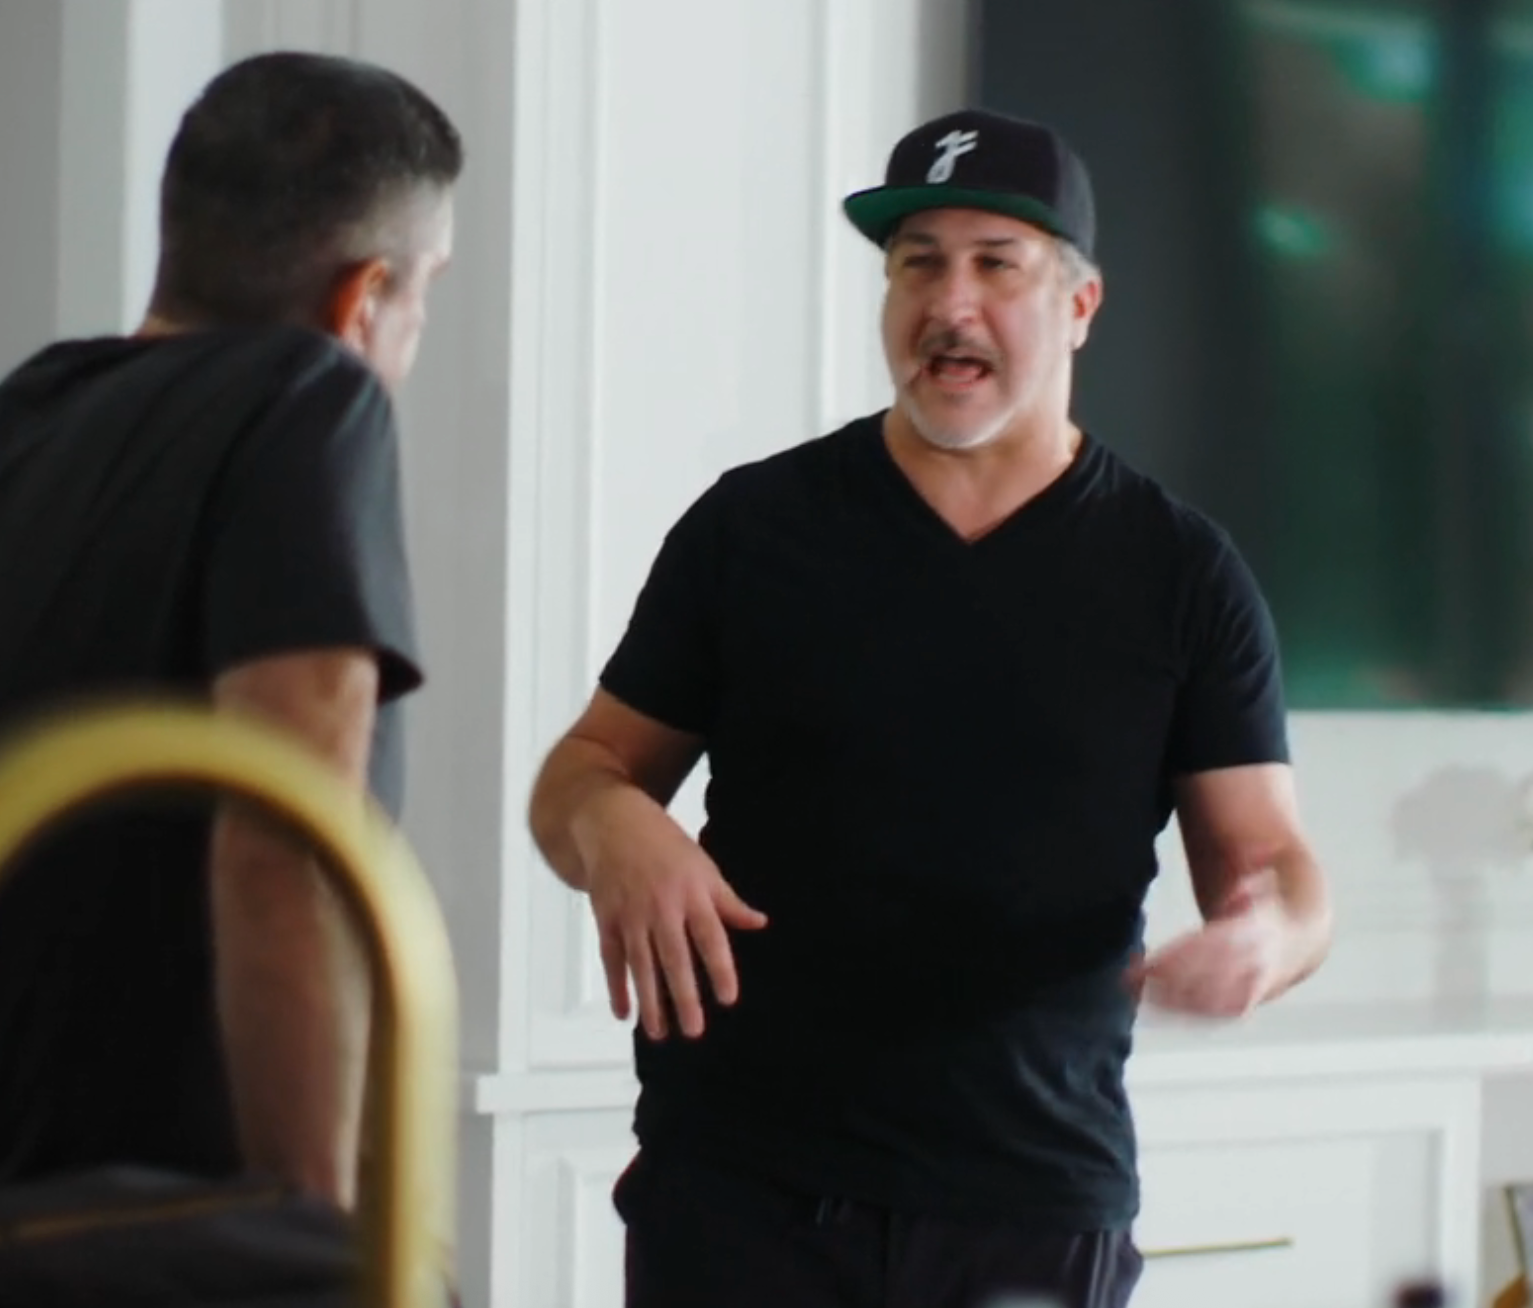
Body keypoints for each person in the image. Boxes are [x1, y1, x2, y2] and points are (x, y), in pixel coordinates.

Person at [527, 108, 1334, 1308]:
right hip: (738, 1195)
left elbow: (1274, 867)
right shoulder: (752, 529)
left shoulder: (1181, 575)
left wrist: (1265, 941)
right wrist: (612, 826)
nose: (948, 303)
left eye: (995, 264)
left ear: (1079, 305)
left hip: (1030, 1211)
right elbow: (580, 774)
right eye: (917, 264)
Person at [0, 52, 462, 1212]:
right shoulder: (314, 399)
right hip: (195, 1220)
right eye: (426, 293)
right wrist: (314, 1235)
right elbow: (282, 833)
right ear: (361, 298)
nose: (415, 334)